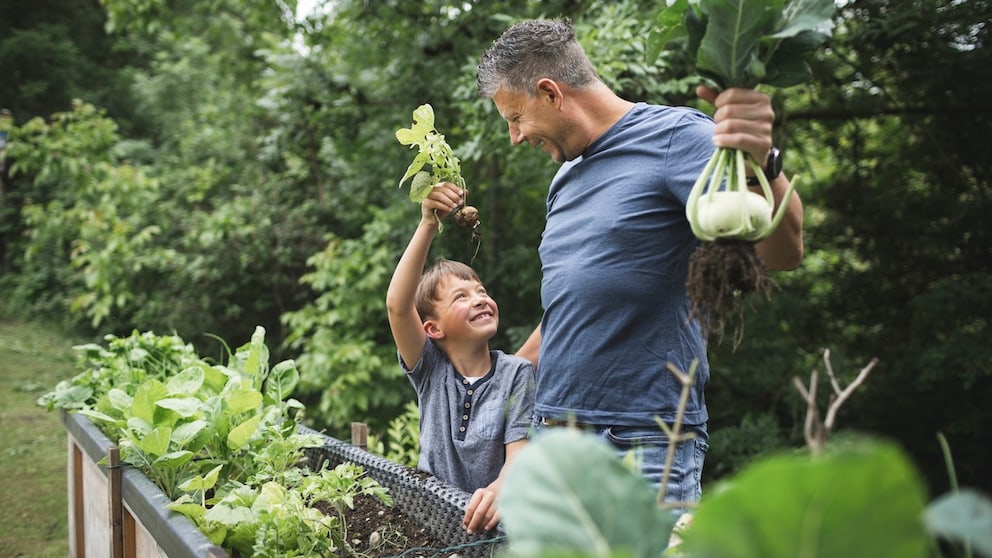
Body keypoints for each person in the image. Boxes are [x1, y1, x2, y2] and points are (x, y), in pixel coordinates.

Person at [476, 19, 804, 509]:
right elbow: (571, 310)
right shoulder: (564, 178)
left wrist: (763, 159)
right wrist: (493, 390)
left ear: (550, 92)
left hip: (641, 443)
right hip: (554, 442)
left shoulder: (676, 138)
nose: (514, 137)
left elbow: (782, 252)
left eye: (515, 117)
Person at [386, 181, 537, 534]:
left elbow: (520, 451)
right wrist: (428, 224)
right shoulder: (429, 371)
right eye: (461, 297)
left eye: (481, 291)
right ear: (433, 329)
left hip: (494, 531)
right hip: (430, 525)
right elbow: (397, 306)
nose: (480, 298)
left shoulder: (515, 374)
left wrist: (502, 487)